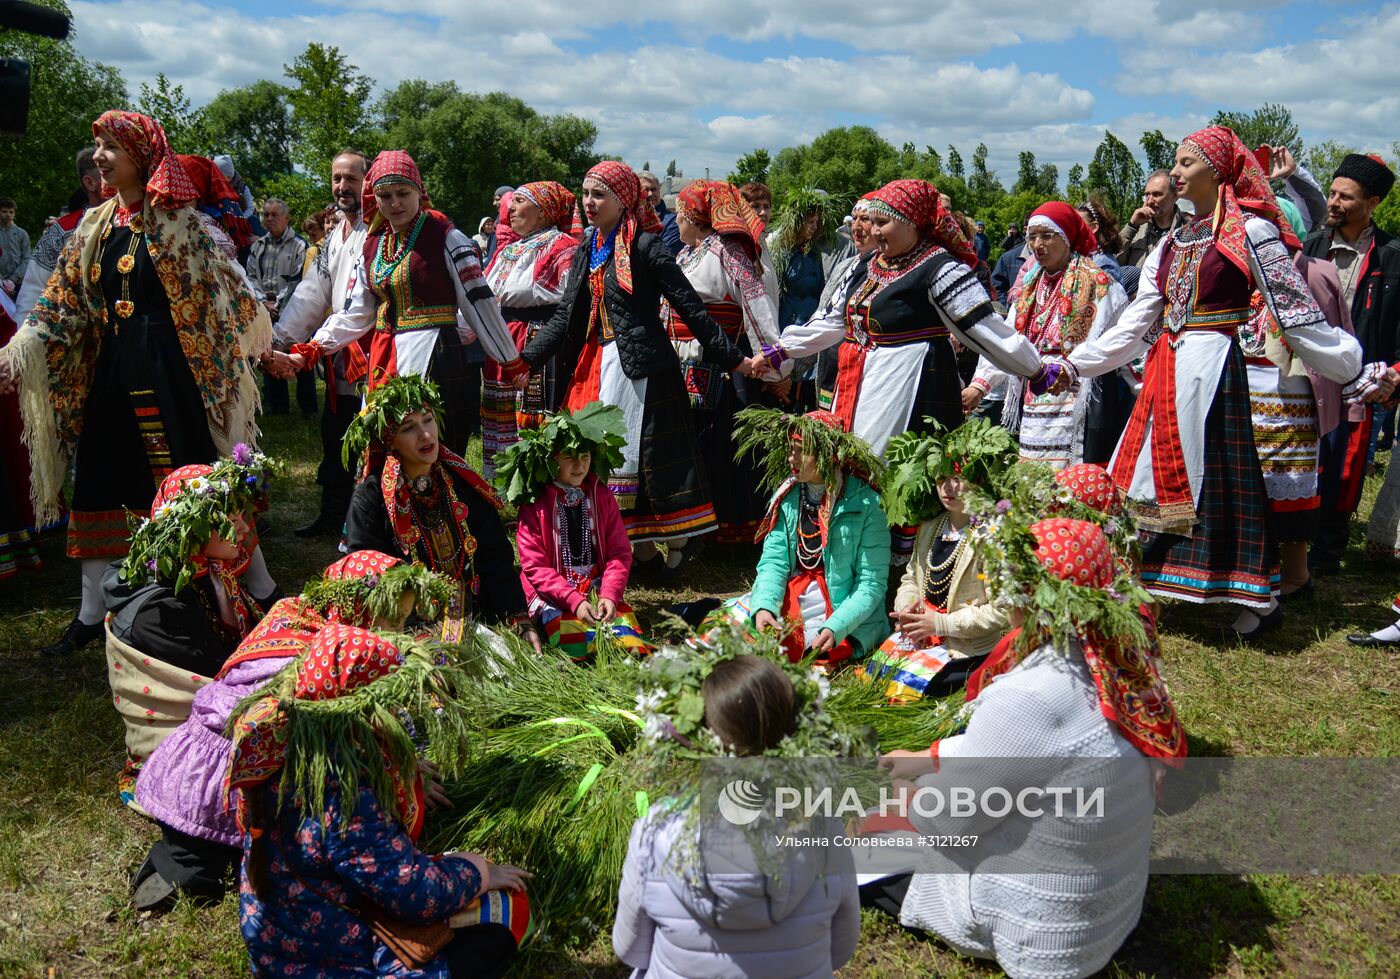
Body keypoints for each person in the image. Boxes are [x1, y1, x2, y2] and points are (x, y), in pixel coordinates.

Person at [1061, 126, 1390, 639]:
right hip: (1167, 371)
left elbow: (1295, 311)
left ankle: (1255, 600)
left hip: (1216, 373)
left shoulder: (1250, 232)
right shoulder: (1171, 242)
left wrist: (1350, 367)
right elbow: (1136, 323)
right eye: (1175, 163)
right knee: (1142, 477)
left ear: (1217, 172)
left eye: (1186, 163)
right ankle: (1145, 587)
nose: (1175, 172)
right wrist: (1074, 364)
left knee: (1215, 483)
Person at [0, 111, 272, 658]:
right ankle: (90, 613)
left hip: (173, 375)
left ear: (141, 158)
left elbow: (227, 292)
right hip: (114, 373)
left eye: (110, 148)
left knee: (200, 479)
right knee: (101, 484)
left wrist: (269, 344)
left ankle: (256, 588)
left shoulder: (181, 223)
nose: (99, 157)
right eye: (96, 146)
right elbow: (62, 300)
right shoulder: (92, 227)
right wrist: (19, 348)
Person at [882, 516, 1185, 979]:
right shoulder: (1118, 662)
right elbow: (1026, 752)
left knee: (863, 839)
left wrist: (902, 792)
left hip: (1046, 930)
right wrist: (931, 757)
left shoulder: (1032, 693)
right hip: (1109, 911)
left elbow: (946, 819)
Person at [129, 549, 448, 910]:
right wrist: (399, 773)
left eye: (404, 620)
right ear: (360, 606)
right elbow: (339, 744)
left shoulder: (294, 612)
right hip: (227, 789)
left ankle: (181, 856)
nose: (398, 633)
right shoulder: (330, 659)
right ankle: (193, 866)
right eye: (392, 620)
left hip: (190, 772)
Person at [228, 623, 533, 978]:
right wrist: (479, 872)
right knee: (508, 912)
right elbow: (415, 894)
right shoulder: (343, 794)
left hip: (284, 940)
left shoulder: (292, 747)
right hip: (328, 960)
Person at [517, 161, 755, 576]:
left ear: (623, 199)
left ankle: (671, 550)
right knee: (594, 457)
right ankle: (629, 553)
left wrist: (735, 359)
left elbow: (690, 307)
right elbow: (566, 315)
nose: (589, 203)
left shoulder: (646, 247)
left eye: (600, 194)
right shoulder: (588, 245)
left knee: (638, 460)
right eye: (586, 194)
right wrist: (525, 359)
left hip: (639, 369)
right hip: (593, 365)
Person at [755, 179, 1049, 459]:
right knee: (854, 464)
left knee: (891, 472)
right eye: (873, 222)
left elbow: (985, 329)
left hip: (911, 386)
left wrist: (1036, 369)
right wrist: (781, 350)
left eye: (883, 223)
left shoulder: (942, 269)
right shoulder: (867, 264)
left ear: (912, 223)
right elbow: (833, 320)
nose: (875, 231)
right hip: (858, 387)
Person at [614, 646, 861, 979]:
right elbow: (841, 950)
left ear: (699, 738)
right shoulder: (826, 829)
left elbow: (631, 949)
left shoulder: (656, 829)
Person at [288, 151, 525, 457]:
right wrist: (317, 346)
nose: (394, 203)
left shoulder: (445, 236)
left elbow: (479, 300)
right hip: (384, 358)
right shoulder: (374, 243)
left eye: (403, 194)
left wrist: (508, 357)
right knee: (385, 446)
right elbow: (358, 311)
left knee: (431, 449)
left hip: (435, 354)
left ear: (418, 191)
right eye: (385, 196)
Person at [103, 453, 280, 807]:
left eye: (244, 516)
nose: (245, 529)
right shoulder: (162, 610)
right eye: (232, 520)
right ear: (190, 530)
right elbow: (224, 679)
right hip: (181, 752)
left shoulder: (207, 574)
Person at [343, 375, 539, 649]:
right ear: (390, 441)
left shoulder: (461, 484)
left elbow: (495, 557)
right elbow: (369, 576)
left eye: (428, 420)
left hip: (471, 609)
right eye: (408, 428)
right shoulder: (372, 498)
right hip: (404, 622)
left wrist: (518, 617)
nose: (425, 434)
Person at [708, 408, 890, 666]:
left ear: (828, 456)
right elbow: (774, 562)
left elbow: (871, 584)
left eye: (801, 450)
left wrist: (835, 627)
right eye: (790, 448)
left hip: (839, 604)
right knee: (725, 630)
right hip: (794, 591)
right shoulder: (789, 495)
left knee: (795, 651)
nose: (792, 458)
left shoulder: (867, 502)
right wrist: (764, 607)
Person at [858, 420, 1015, 702]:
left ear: (979, 480)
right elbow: (911, 577)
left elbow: (1002, 610)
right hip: (924, 633)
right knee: (876, 675)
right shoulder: (932, 526)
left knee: (908, 691)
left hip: (964, 645)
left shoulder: (991, 535)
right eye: (941, 478)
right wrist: (908, 608)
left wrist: (941, 625)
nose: (948, 487)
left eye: (958, 477)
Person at [966, 202, 1130, 470]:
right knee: (1035, 478)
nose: (1037, 244)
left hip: (1081, 396)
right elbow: (1008, 338)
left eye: (1046, 235)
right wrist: (980, 385)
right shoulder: (1030, 287)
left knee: (1074, 483)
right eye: (1032, 237)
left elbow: (1121, 341)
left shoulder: (1100, 284)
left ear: (1066, 236)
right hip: (1035, 395)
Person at [668, 179, 787, 543]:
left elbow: (756, 307)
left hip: (726, 366)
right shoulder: (688, 253)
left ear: (695, 216)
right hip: (688, 363)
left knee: (725, 445)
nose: (675, 222)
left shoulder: (727, 250)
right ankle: (697, 524)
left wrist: (775, 365)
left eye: (680, 215)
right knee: (698, 443)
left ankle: (731, 530)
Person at [1303, 154, 1400, 574]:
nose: (1335, 202)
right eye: (1333, 193)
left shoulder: (1391, 256)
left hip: (1364, 382)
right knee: (1302, 460)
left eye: (1347, 196)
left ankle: (1326, 554)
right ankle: (1290, 545)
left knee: (1347, 468)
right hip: (1305, 378)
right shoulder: (1311, 247)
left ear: (1373, 203)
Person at [270, 150, 372, 539]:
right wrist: (279, 340)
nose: (342, 187)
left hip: (373, 351)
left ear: (367, 181)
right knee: (335, 432)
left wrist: (306, 349)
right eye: (336, 179)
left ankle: (364, 523)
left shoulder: (377, 231)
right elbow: (312, 294)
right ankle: (332, 514)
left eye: (351, 179)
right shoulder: (333, 239)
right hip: (339, 354)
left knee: (368, 436)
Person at [496, 402, 648, 660]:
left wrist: (610, 595)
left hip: (595, 587)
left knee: (629, 643)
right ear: (551, 459)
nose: (579, 465)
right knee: (576, 644)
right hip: (552, 593)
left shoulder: (601, 497)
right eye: (569, 456)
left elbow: (620, 553)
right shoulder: (535, 505)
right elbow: (535, 568)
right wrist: (574, 601)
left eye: (585, 456)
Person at [481, 180, 582, 478]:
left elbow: (570, 301)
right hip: (503, 337)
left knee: (532, 414)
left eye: (520, 201)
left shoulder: (563, 247)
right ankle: (504, 479)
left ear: (542, 211)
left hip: (538, 335)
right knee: (501, 412)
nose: (510, 207)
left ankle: (536, 480)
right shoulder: (509, 249)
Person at [15, 148, 103, 321]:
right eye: (107, 173)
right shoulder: (62, 230)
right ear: (90, 183)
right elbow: (33, 291)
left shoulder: (139, 224)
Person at [247, 197, 314, 418]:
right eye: (266, 215)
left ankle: (308, 407)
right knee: (270, 354)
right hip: (264, 310)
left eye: (275, 215)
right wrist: (262, 303)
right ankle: (277, 406)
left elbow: (297, 280)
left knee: (301, 357)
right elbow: (250, 277)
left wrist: (277, 305)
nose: (269, 219)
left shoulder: (299, 245)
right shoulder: (258, 246)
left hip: (294, 309)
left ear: (287, 218)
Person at [769, 188, 852, 330]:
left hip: (811, 325)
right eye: (810, 222)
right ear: (797, 222)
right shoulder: (781, 252)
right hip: (790, 326)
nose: (815, 227)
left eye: (817, 222)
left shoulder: (813, 252)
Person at [1117, 169, 1184, 269]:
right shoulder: (1137, 230)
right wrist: (1131, 226)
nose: (1150, 201)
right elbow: (1113, 264)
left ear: (1175, 196)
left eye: (1157, 194)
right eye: (1147, 194)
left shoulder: (1186, 231)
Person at [737, 181, 778, 306]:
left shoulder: (764, 244)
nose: (763, 212)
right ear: (742, 210)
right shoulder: (738, 247)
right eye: (756, 206)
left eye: (766, 207)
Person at [636, 170, 681, 256]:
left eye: (653, 189)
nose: (650, 194)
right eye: (645, 190)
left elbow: (663, 255)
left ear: (659, 191)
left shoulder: (672, 222)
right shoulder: (629, 221)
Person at [0, 196, 31, 298]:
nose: (8, 215)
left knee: (19, 312)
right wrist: (2, 282)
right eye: (4, 211)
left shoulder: (21, 234)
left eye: (11, 212)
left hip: (19, 283)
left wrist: (12, 280)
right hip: (0, 283)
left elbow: (27, 258)